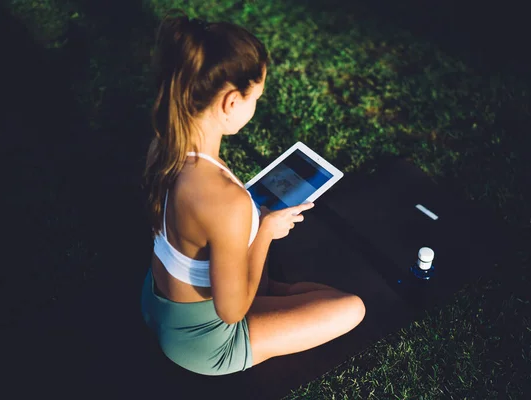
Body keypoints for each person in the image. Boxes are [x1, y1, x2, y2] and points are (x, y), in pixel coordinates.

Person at [140, 9, 366, 376]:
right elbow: (231, 313)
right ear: (231, 102)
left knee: (263, 284)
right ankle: (266, 289)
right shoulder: (227, 201)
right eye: (256, 97)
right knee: (351, 307)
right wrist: (264, 233)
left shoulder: (164, 147)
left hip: (158, 303)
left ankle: (263, 288)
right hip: (202, 343)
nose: (255, 106)